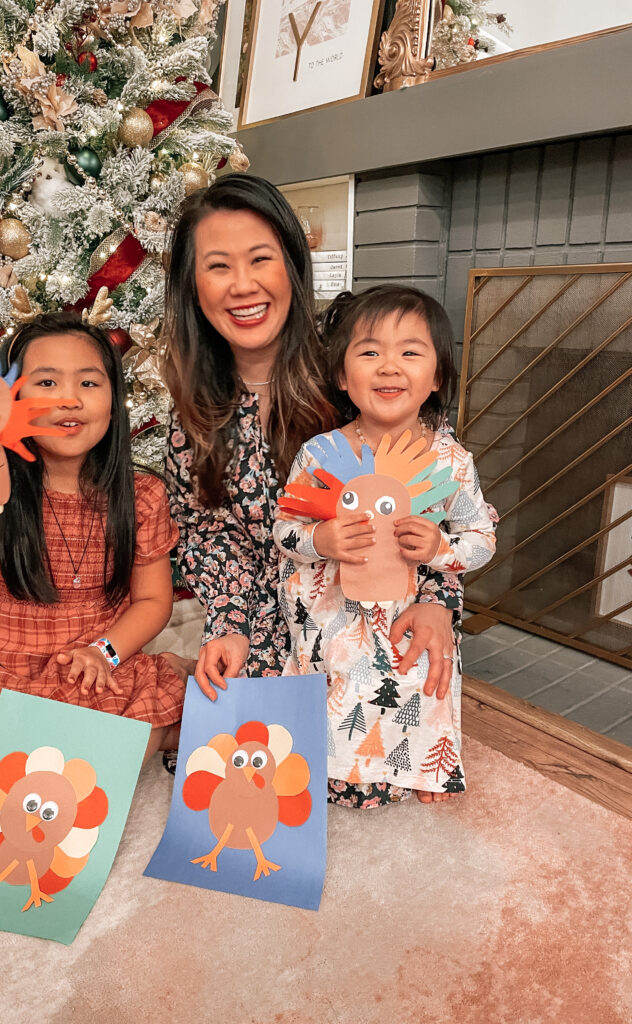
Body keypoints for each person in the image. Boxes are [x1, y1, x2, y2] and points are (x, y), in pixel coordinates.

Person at [163, 174, 466, 804]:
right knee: (240, 770)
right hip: (267, 616)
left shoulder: (359, 370)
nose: (242, 285)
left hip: (368, 607)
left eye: (260, 259)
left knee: (364, 775)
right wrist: (231, 625)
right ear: (194, 287)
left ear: (293, 268)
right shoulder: (196, 412)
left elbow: (433, 493)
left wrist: (437, 597)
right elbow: (208, 536)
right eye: (218, 266)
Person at [0, 312, 185, 813]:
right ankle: (155, 716)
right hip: (1, 679)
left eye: (89, 382)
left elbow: (152, 600)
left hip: (95, 671)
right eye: (47, 382)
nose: (69, 399)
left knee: (93, 778)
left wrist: (105, 651)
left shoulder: (142, 494)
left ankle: (161, 720)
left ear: (114, 399)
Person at [274, 285, 498, 805]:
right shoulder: (321, 453)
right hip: (332, 604)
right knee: (337, 680)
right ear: (342, 375)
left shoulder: (451, 462)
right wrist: (319, 537)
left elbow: (481, 539)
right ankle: (336, 768)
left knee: (417, 680)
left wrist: (441, 547)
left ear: (436, 376)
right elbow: (283, 530)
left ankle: (420, 767)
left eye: (411, 352)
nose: (389, 367)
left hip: (408, 604)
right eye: (370, 352)